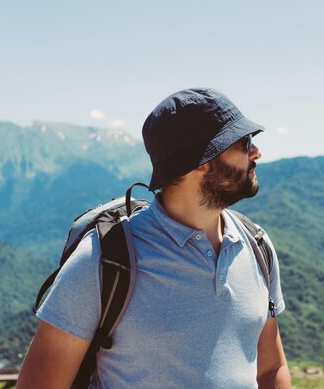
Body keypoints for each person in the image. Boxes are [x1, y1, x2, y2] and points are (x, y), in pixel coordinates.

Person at [16, 88, 291, 389]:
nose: (256, 152)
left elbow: (271, 369)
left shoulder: (258, 247)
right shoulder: (102, 261)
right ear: (201, 160)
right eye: (243, 143)